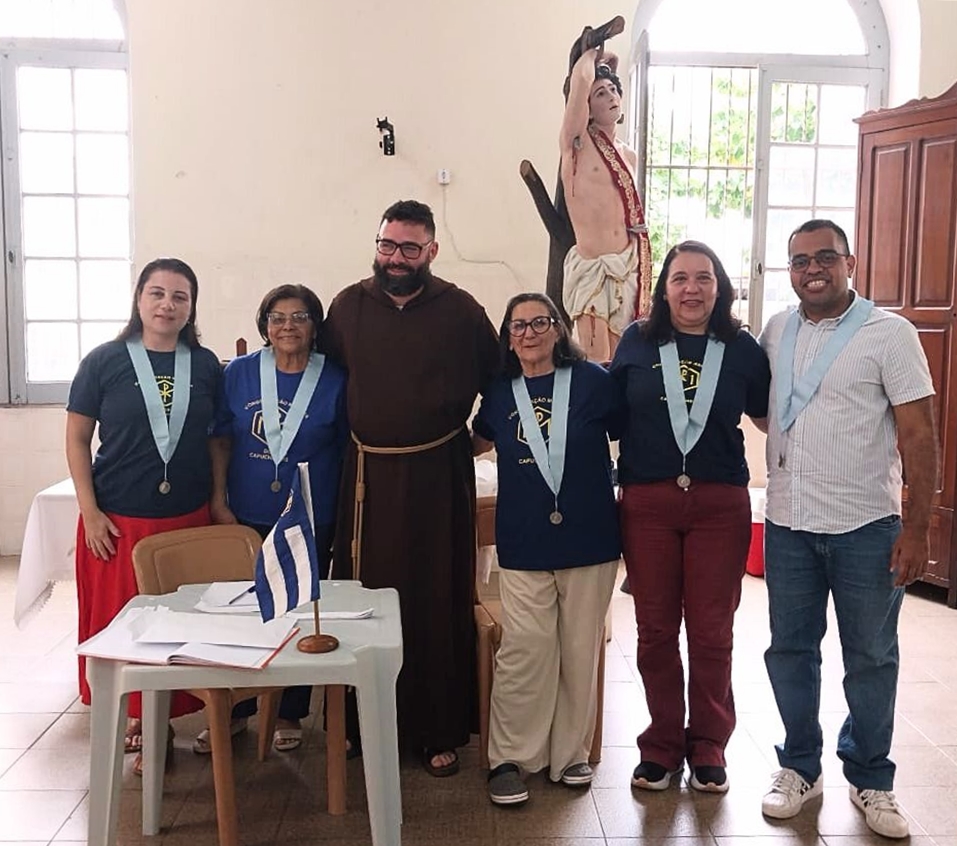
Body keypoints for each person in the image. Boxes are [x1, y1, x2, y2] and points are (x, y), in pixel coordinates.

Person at [758, 220, 938, 839]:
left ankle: (871, 777)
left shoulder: (890, 333)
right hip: (788, 524)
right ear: (789, 270)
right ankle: (799, 767)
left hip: (866, 526)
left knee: (870, 657)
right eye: (800, 260)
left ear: (850, 263)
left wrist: (918, 528)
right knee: (790, 651)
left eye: (826, 257)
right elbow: (770, 410)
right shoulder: (776, 330)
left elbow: (919, 436)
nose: (813, 269)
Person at [323, 199, 500, 776]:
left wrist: (477, 437)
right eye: (386, 245)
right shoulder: (347, 307)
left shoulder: (462, 311)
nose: (395, 258)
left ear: (431, 250)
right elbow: (325, 382)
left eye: (408, 248)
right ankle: (359, 723)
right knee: (364, 598)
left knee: (434, 597)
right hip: (367, 477)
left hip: (438, 476)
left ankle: (436, 728)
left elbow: (500, 381)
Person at [610, 240, 770, 793]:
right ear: (663, 289)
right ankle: (660, 745)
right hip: (648, 503)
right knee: (655, 630)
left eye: (704, 278)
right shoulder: (637, 341)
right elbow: (608, 414)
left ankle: (708, 746)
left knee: (711, 631)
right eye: (680, 278)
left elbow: (770, 415)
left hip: (719, 504)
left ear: (719, 288)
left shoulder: (742, 348)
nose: (692, 289)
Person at [66, 257, 222, 774]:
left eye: (180, 296)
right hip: (119, 518)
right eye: (157, 293)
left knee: (179, 625)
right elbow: (77, 438)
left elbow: (217, 440)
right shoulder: (104, 361)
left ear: (191, 307)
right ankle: (139, 717)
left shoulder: (204, 364)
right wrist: (89, 511)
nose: (167, 305)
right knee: (125, 624)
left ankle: (167, 713)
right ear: (138, 300)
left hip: (186, 518)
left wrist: (217, 501)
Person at [472, 292, 621, 806]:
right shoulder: (498, 392)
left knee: (580, 648)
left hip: (590, 536)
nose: (529, 333)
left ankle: (570, 754)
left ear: (558, 329)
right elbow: (477, 442)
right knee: (525, 649)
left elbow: (630, 433)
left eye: (540, 322)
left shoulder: (594, 382)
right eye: (518, 326)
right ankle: (511, 758)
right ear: (508, 338)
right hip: (525, 538)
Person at [207, 283, 347, 753]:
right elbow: (221, 438)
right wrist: (219, 499)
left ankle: (289, 709)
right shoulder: (240, 373)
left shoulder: (336, 378)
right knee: (246, 610)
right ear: (264, 325)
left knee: (300, 609)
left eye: (300, 316)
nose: (288, 326)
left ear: (315, 326)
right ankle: (237, 709)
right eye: (277, 317)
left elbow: (347, 447)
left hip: (310, 515)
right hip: (246, 511)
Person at [560, 44, 653, 362]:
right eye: (600, 93)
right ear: (586, 107)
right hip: (594, 269)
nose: (611, 96)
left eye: (613, 90)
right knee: (597, 362)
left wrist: (603, 71)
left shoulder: (629, 155)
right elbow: (580, 82)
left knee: (624, 360)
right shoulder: (577, 144)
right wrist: (591, 55)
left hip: (627, 266)